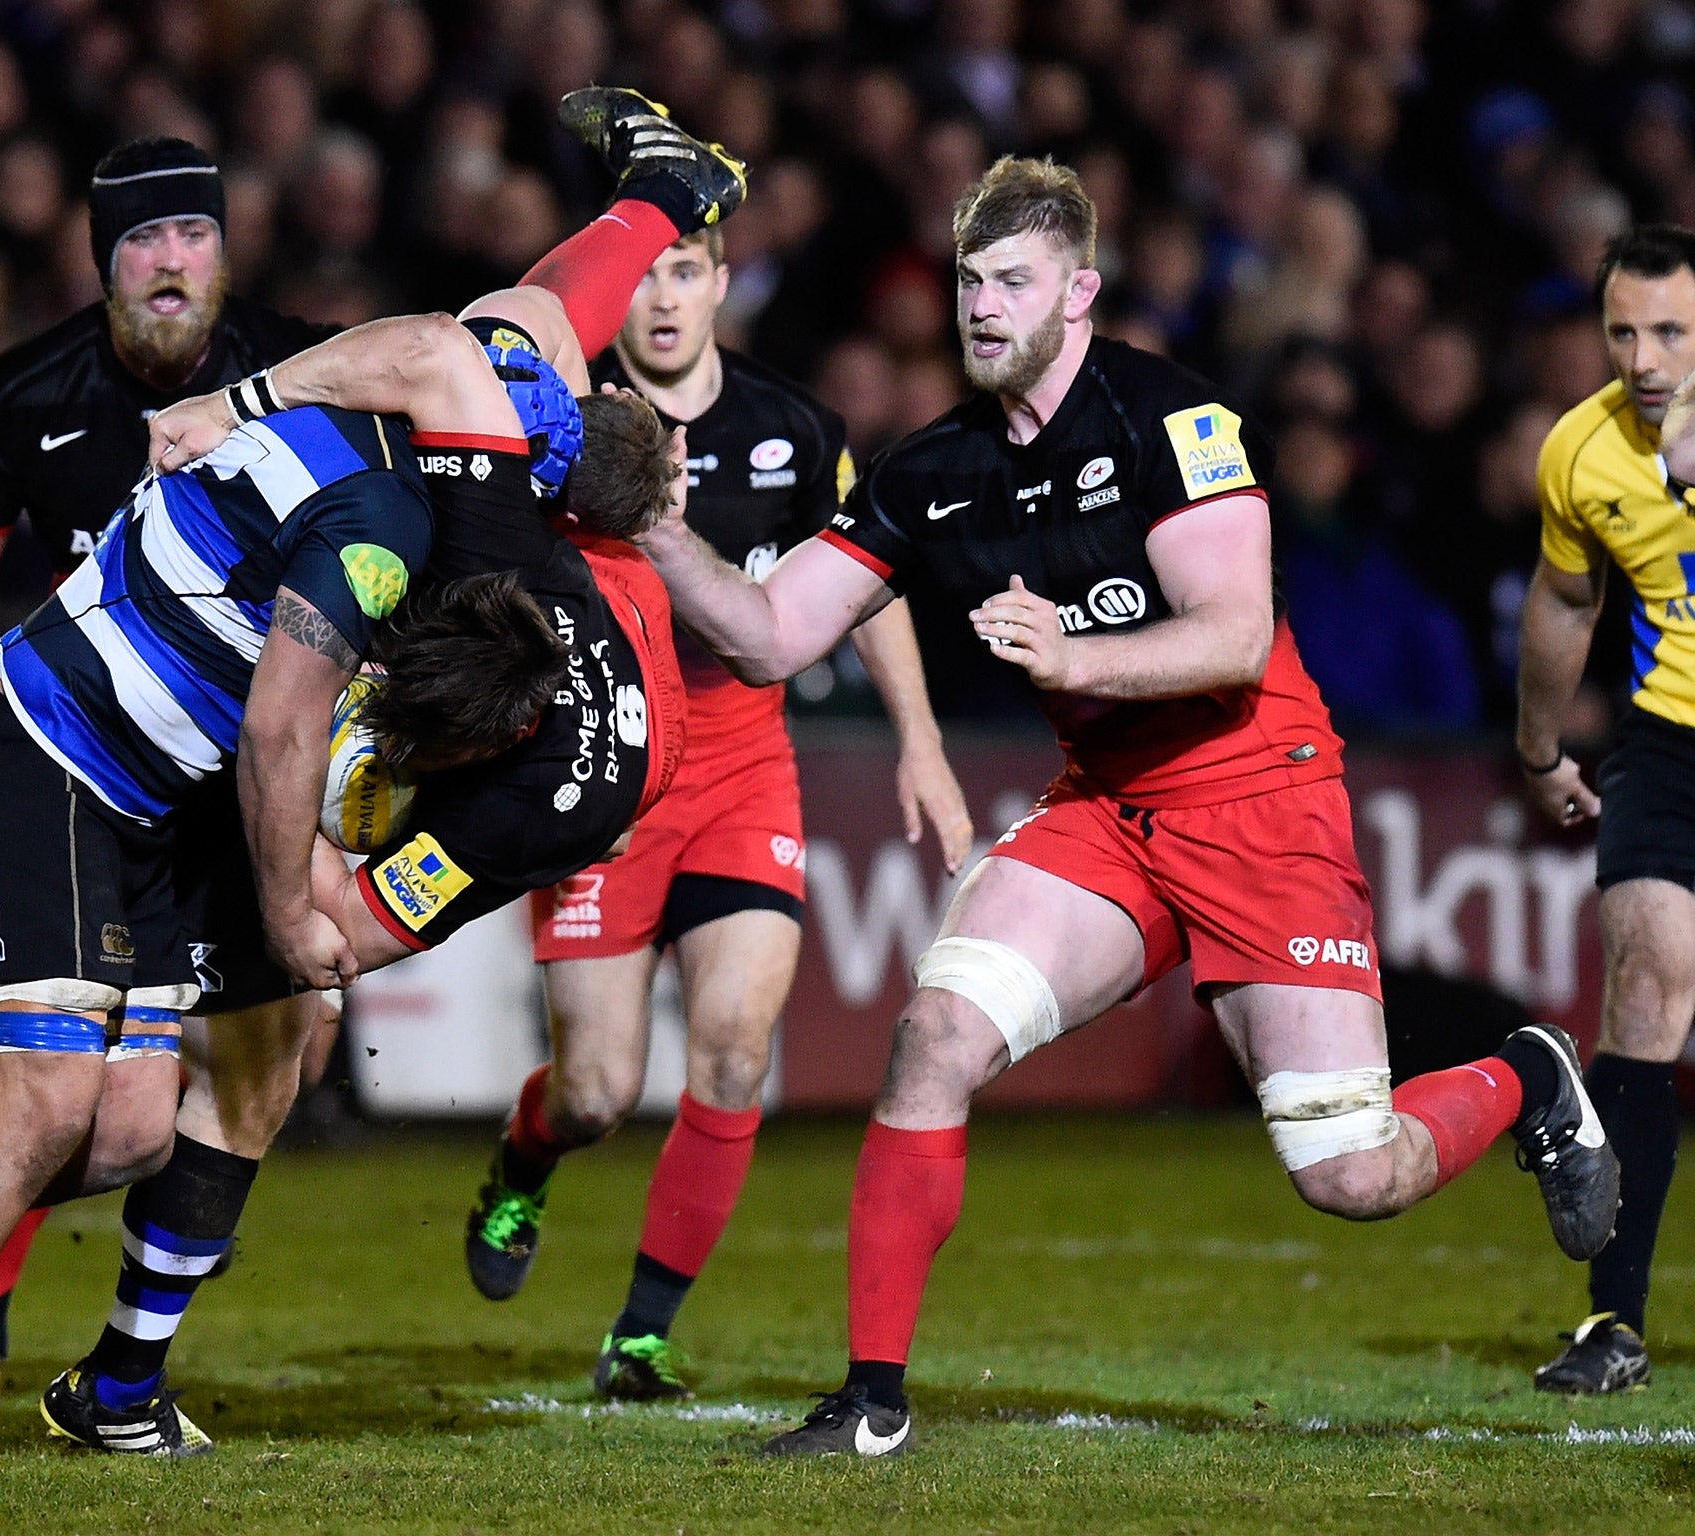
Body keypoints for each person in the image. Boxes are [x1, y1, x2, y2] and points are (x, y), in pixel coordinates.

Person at [632, 156, 1620, 1458]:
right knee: (933, 1040)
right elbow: (769, 635)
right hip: (1109, 807)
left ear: (1080, 289)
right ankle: (872, 1403)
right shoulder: (936, 471)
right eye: (969, 280)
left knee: (1351, 1175)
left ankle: (1524, 1071)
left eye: (1011, 281)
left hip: (1257, 793)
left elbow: (1232, 636)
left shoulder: (1172, 419)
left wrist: (1073, 658)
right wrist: (653, 528)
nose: (982, 306)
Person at [20, 85, 742, 1458]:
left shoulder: (542, 807)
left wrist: (264, 904)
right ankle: (662, 189)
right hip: (555, 579)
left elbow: (337, 932)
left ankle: (110, 1338)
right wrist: (233, 406)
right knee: (507, 335)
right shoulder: (503, 537)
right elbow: (441, 356)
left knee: (271, 1036)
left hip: (621, 752)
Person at [0, 376, 441, 1477]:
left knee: (129, 1133)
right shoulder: (383, 510)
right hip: (32, 765)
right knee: (40, 1113)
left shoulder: (325, 435)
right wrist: (290, 904)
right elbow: (282, 721)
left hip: (131, 807)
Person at [458, 224, 974, 1404]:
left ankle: (639, 1334)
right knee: (595, 1090)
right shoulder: (561, 421)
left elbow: (866, 580)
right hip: (604, 755)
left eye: (683, 272)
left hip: (743, 756)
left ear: (720, 286)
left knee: (737, 1048)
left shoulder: (791, 429)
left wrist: (922, 743)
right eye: (638, 274)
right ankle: (524, 1161)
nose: (659, 298)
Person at [0, 135, 341, 1416]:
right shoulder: (29, 395)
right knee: (79, 1098)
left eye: (191, 234)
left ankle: (116, 1365)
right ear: (101, 263)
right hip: (83, 780)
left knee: (239, 1071)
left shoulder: (294, 373)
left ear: (223, 249)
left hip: (231, 788)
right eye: (142, 240)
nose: (169, 262)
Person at [1519, 224, 1695, 1395]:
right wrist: (1537, 747)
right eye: (1622, 329)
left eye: (1671, 330)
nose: (1642, 355)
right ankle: (1611, 1321)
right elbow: (1564, 602)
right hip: (1665, 743)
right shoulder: (1580, 455)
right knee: (1642, 975)